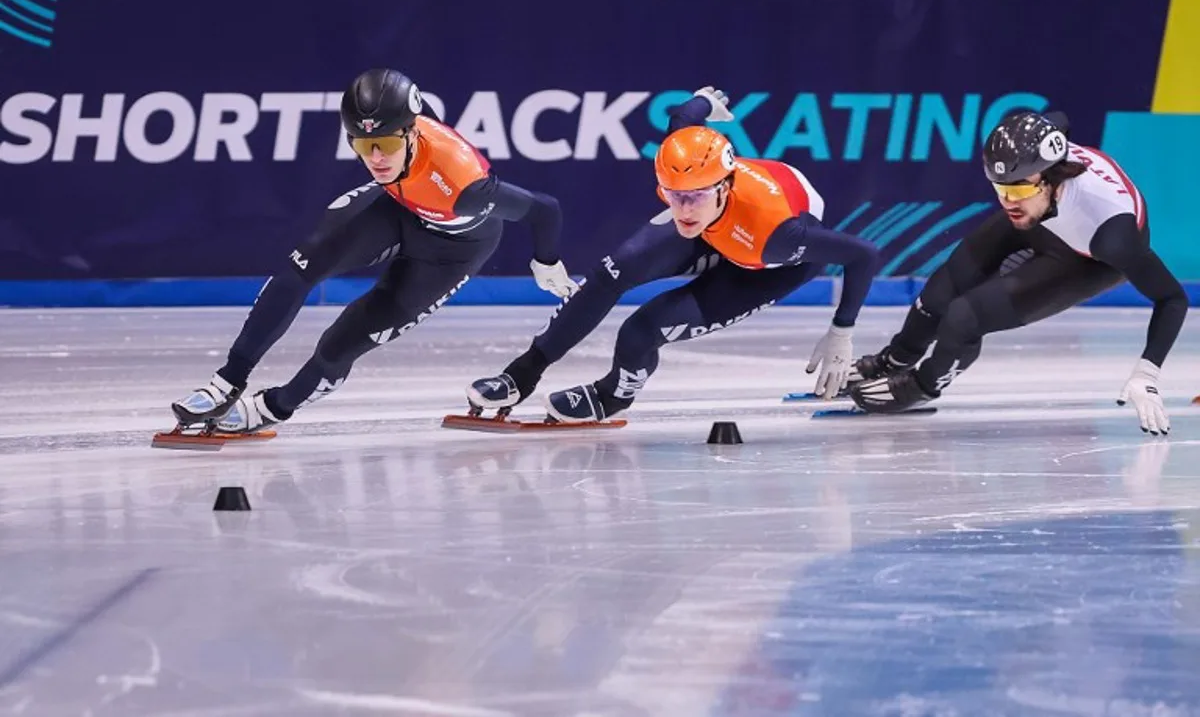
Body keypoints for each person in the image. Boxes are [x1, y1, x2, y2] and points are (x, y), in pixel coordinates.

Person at [170, 68, 578, 433]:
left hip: (451, 251)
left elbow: (546, 209)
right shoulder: (403, 123)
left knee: (340, 344)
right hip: (398, 210)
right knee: (302, 265)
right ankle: (227, 381)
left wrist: (546, 262)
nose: (377, 158)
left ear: (411, 133)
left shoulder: (465, 187)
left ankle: (272, 408)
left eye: (385, 143)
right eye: (363, 146)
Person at [464, 86, 881, 423]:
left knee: (641, 332)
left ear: (724, 186)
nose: (682, 210)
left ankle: (612, 396)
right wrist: (706, 101)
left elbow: (863, 254)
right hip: (717, 227)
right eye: (671, 195)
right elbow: (684, 116)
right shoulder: (687, 167)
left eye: (694, 197)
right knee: (613, 271)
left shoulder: (782, 236)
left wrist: (841, 331)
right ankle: (524, 371)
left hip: (762, 258)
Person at [849, 110, 1187, 435]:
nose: (1008, 201)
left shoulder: (1114, 236)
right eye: (1000, 189)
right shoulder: (1032, 177)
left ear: (1050, 179)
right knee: (940, 292)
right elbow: (1058, 119)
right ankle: (896, 359)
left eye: (1017, 190)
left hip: (1089, 259)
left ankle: (922, 386)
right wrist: (1023, 193)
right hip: (1043, 217)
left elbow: (1172, 299)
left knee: (964, 317)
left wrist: (1148, 372)